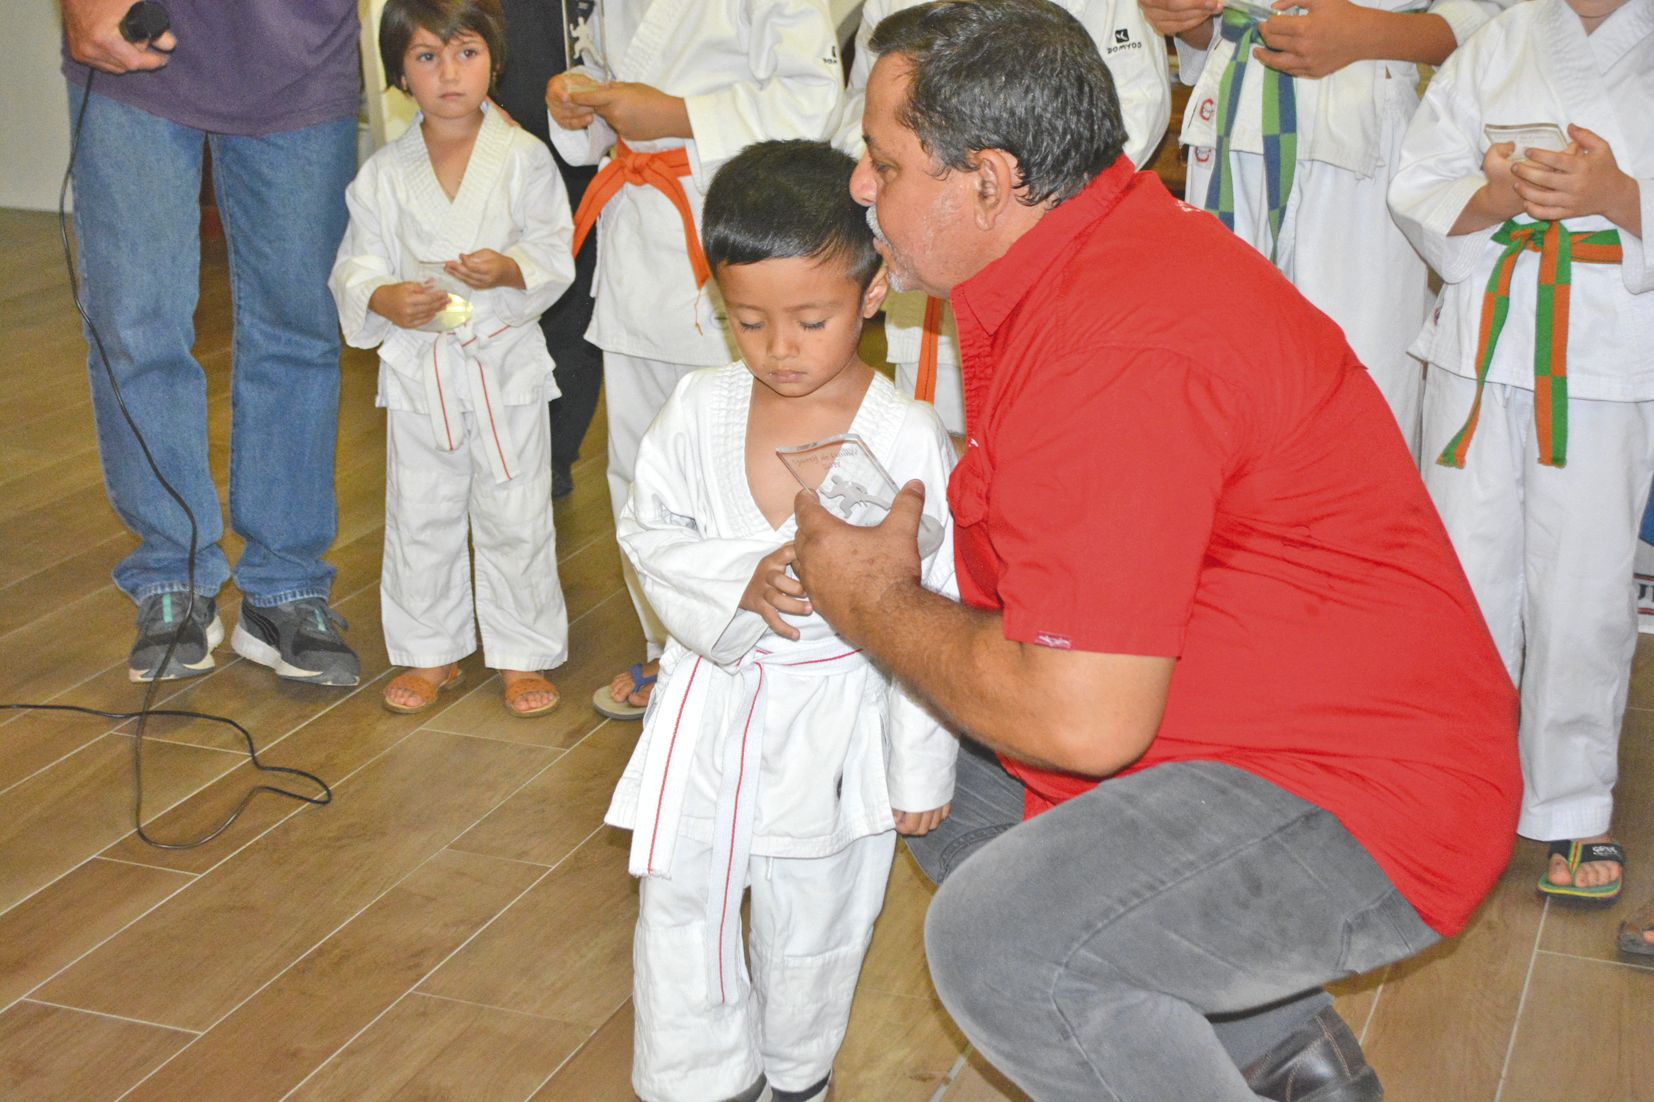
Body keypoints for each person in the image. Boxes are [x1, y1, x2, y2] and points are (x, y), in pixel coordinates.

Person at [791, 3, 1522, 1098]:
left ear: (988, 182)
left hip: (1361, 792)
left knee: (1005, 944)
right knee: (943, 779)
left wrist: (875, 600)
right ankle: (1296, 1072)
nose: (859, 186)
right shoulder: (1091, 250)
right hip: (1251, 711)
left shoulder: (1117, 342)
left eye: (883, 161)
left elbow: (1082, 721)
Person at [607, 140, 959, 1102]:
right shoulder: (697, 408)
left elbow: (935, 609)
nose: (780, 349)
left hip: (838, 726)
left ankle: (797, 1078)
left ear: (875, 290)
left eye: (811, 318)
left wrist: (918, 765)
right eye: (748, 321)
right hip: (708, 712)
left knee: (817, 925)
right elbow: (649, 531)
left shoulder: (906, 437)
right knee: (681, 918)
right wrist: (738, 582)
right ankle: (699, 1084)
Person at [1387, 0, 1652, 906]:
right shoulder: (1500, 38)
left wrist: (1617, 197)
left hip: (1608, 356)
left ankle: (1574, 803)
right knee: (1462, 576)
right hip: (1479, 344)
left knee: (1582, 588)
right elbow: (1418, 178)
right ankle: (1461, 782)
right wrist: (1497, 194)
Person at [538, 0, 844, 722]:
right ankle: (668, 649)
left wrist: (678, 114)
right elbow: (618, 89)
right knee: (641, 467)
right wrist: (580, 99)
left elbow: (813, 99)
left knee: (739, 462)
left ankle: (762, 648)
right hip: (638, 240)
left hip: (729, 233)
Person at [62, 0, 362, 685]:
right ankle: (173, 573)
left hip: (300, 45)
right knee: (136, 324)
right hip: (133, 35)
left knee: (299, 324)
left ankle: (285, 587)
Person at [330, 0, 575, 717]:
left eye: (465, 53)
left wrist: (508, 269)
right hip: (421, 367)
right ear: (399, 72)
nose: (448, 74)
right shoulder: (383, 172)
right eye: (426, 57)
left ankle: (522, 653)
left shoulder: (524, 155)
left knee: (516, 509)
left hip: (503, 362)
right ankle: (429, 650)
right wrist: (379, 297)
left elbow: (554, 250)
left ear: (494, 60)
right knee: (420, 511)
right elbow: (355, 262)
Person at [1138, 0, 1513, 458]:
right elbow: (1207, 26)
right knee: (1215, 386)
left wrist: (1374, 34)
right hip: (1234, 116)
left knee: (1361, 404)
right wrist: (1187, 18)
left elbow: (1498, 16)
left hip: (1361, 125)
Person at [835, 0, 1171, 434]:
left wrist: (1006, 212)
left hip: (1032, 231)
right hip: (940, 236)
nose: (858, 188)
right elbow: (867, 109)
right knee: (932, 444)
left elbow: (1129, 110)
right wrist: (903, 181)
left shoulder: (1104, 349)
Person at [492, 0, 602, 500]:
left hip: (590, 159)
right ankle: (490, 453)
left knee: (577, 315)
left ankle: (554, 457)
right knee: (492, 313)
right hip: (496, 147)